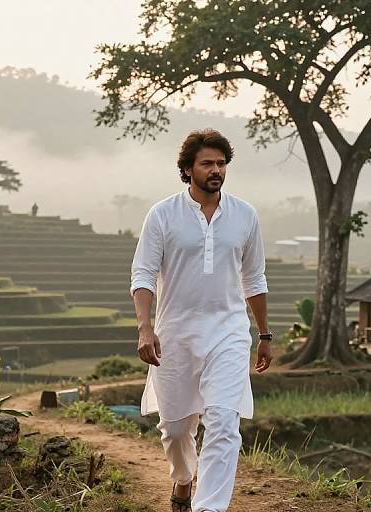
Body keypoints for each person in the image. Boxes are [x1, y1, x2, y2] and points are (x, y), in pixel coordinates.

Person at [130, 128, 273, 511]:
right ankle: (182, 479)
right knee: (176, 428)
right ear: (188, 168)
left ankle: (208, 507)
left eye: (221, 163)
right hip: (174, 334)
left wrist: (265, 333)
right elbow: (143, 275)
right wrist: (145, 327)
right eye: (207, 163)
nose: (216, 170)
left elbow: (254, 278)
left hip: (228, 332)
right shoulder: (162, 215)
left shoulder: (245, 215)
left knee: (225, 422)